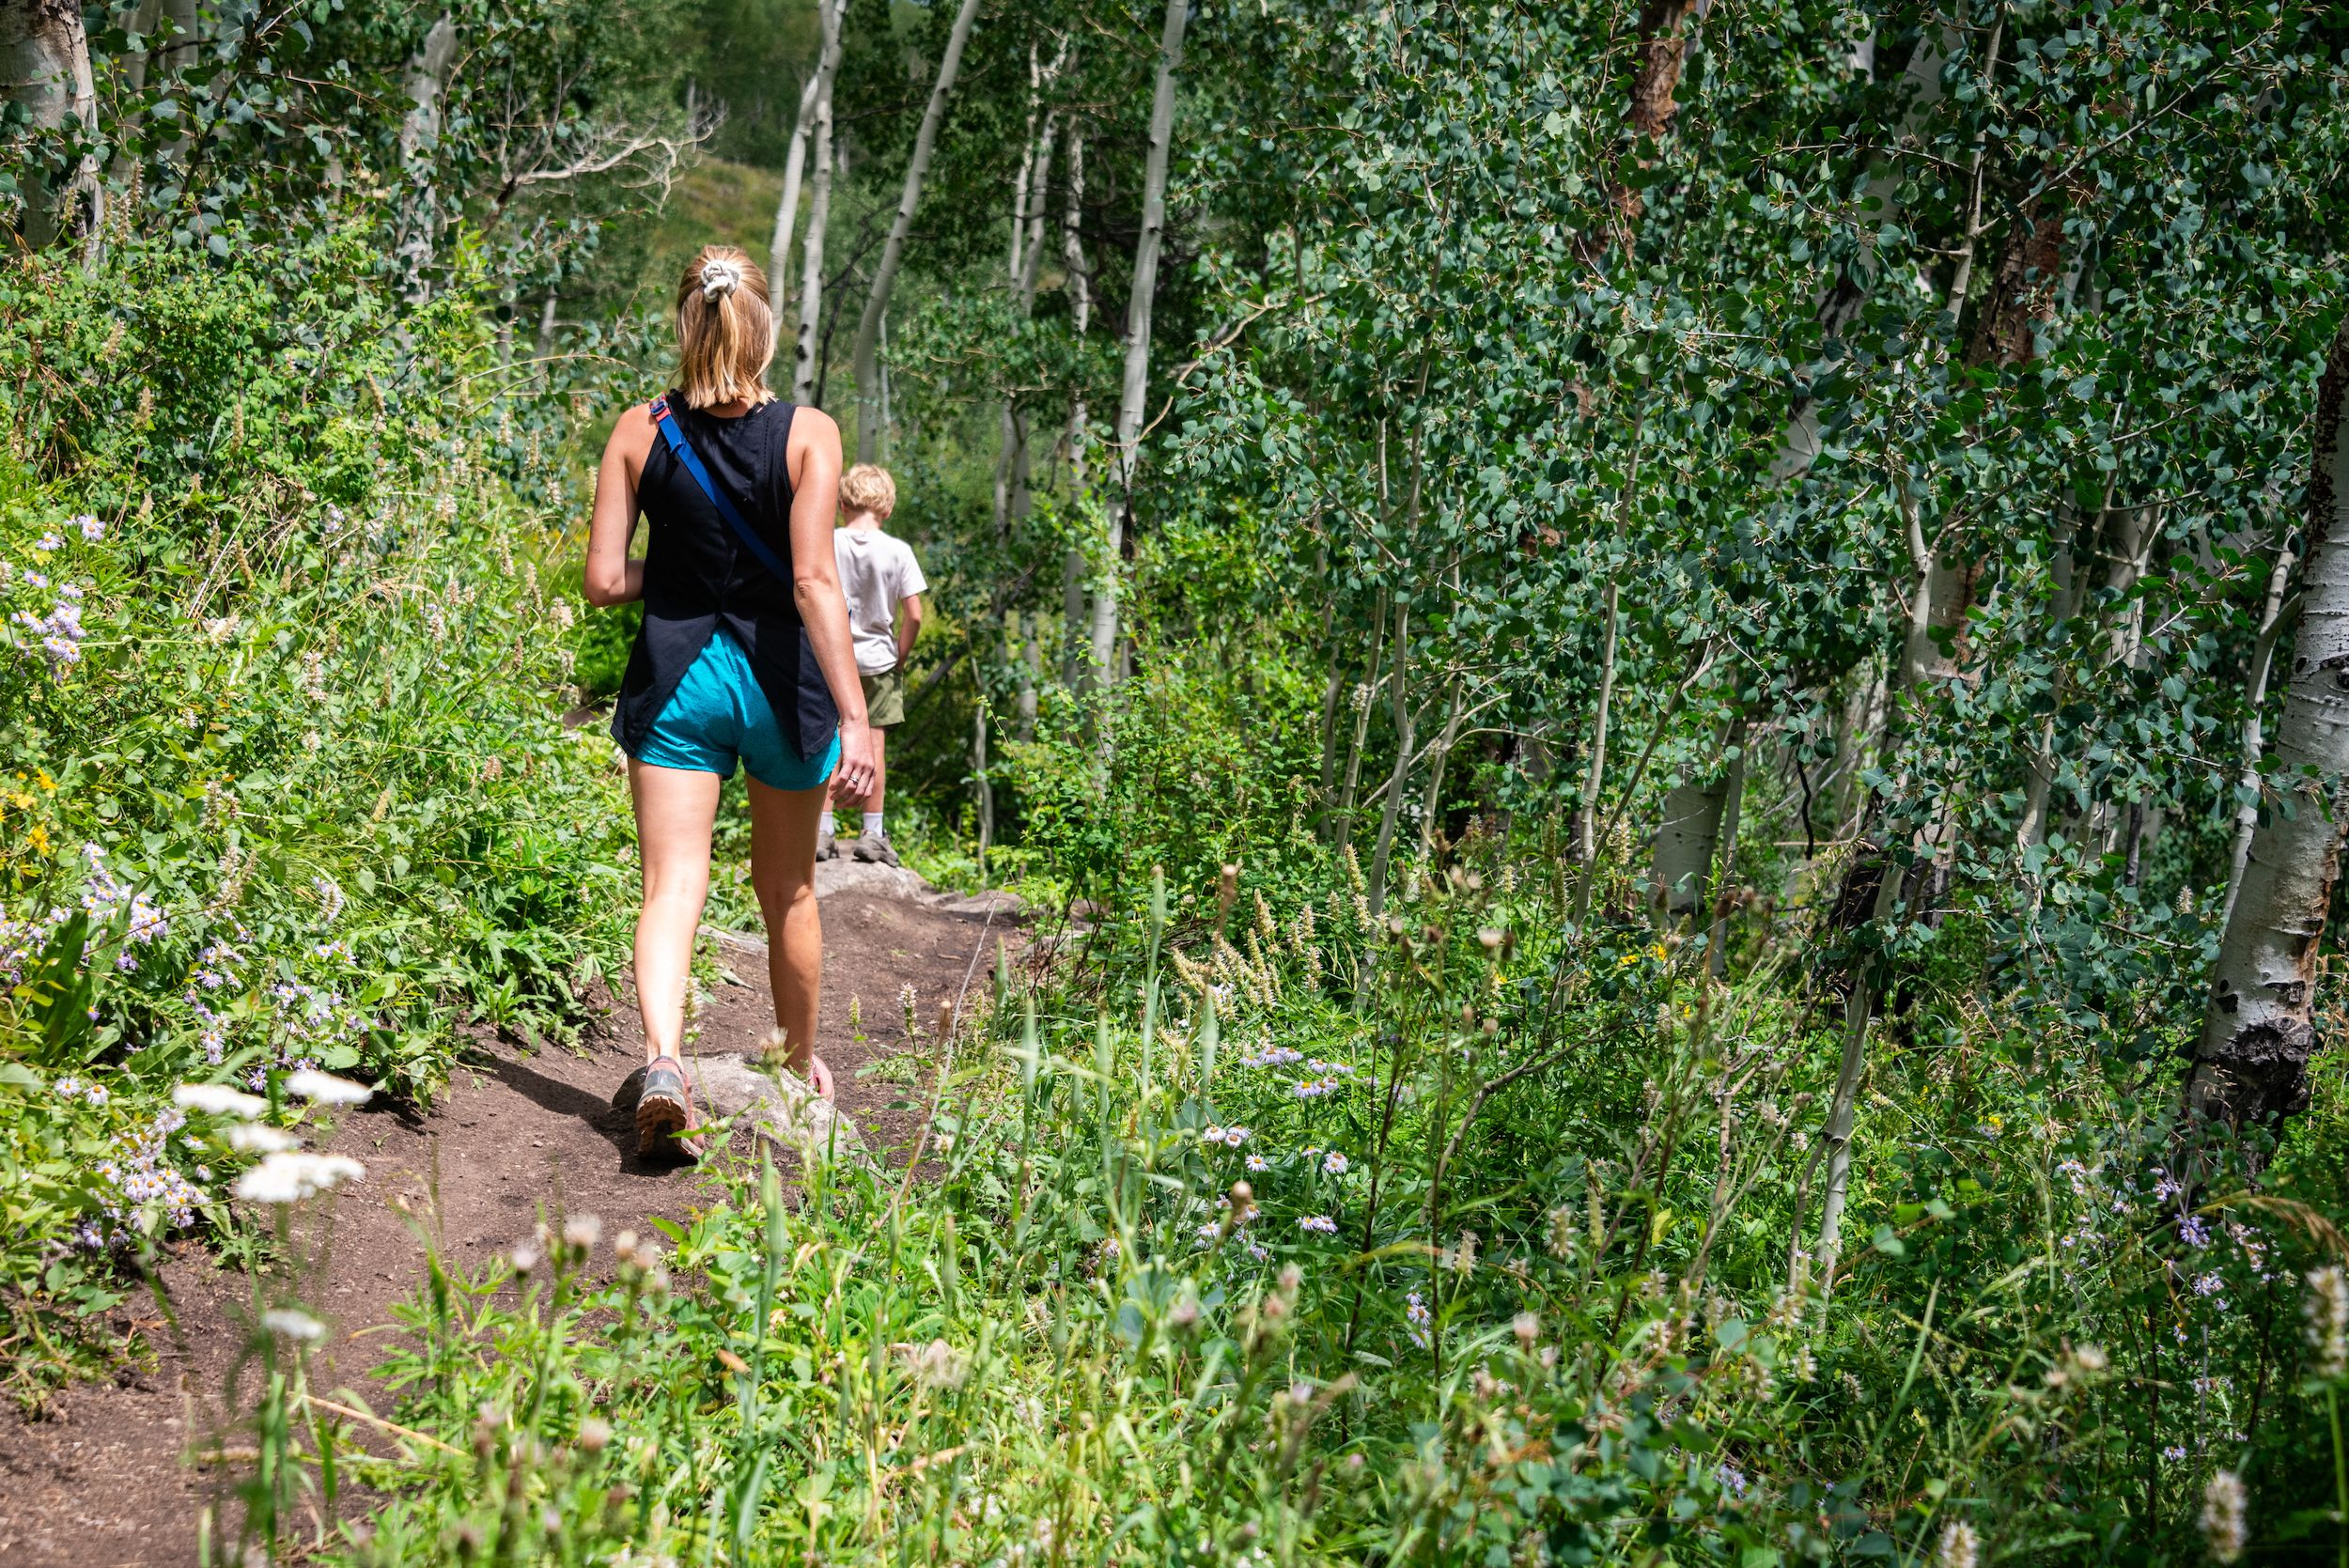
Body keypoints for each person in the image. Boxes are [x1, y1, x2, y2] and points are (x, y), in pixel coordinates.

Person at [583, 244, 876, 1158]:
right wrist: (856, 716)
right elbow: (814, 581)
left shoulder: (638, 430)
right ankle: (796, 1065)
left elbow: (604, 581)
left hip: (678, 680)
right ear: (764, 328)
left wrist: (674, 577)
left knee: (672, 884)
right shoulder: (809, 433)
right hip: (781, 686)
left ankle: (664, 1063)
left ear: (687, 323)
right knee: (788, 887)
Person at [817, 464, 926, 868]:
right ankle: (873, 834)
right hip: (880, 660)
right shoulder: (899, 551)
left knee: (829, 740)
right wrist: (900, 656)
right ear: (888, 509)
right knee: (873, 745)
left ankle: (822, 831)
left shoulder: (828, 541)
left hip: (830, 657)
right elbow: (914, 614)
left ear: (842, 504)